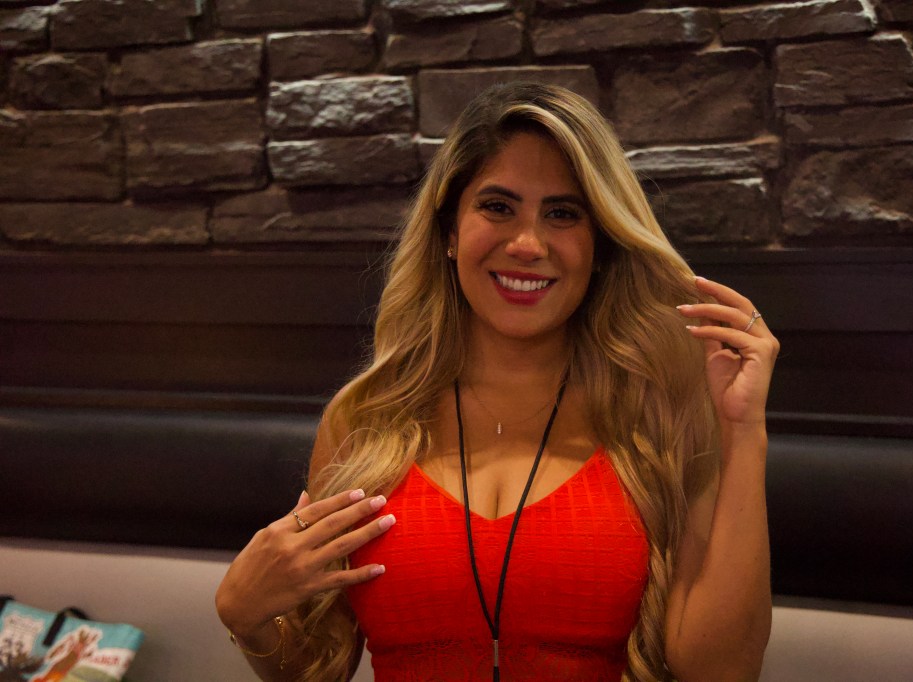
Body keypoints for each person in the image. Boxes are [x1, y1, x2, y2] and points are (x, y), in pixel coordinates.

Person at [216, 82, 778, 682]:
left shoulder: (658, 417)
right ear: (450, 232)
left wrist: (744, 430)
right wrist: (245, 615)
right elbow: (317, 670)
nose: (527, 245)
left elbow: (721, 671)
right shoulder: (365, 421)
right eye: (498, 207)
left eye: (562, 214)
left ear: (600, 245)